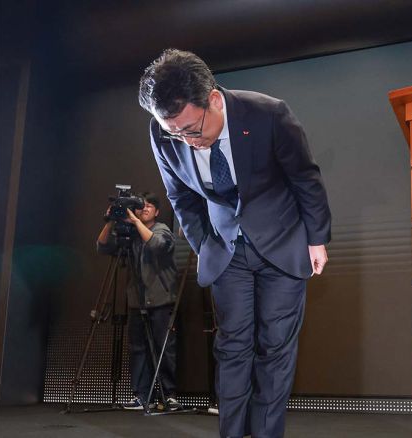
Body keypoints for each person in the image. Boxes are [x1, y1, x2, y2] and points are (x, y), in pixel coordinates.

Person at [138, 49, 332, 438]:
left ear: (213, 99)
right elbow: (180, 197)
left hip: (281, 242)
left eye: (191, 129)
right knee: (232, 348)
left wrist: (316, 238)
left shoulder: (268, 114)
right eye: (174, 132)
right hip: (226, 250)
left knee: (275, 347)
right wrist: (204, 246)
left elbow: (305, 178)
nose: (185, 140)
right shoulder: (164, 132)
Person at [96, 192, 181, 411]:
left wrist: (134, 221)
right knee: (139, 349)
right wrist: (110, 221)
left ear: (157, 212)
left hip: (161, 300)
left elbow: (156, 245)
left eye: (150, 206)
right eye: (142, 205)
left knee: (164, 348)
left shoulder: (162, 230)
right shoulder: (131, 234)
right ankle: (141, 396)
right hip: (137, 301)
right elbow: (103, 246)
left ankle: (168, 395)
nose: (145, 209)